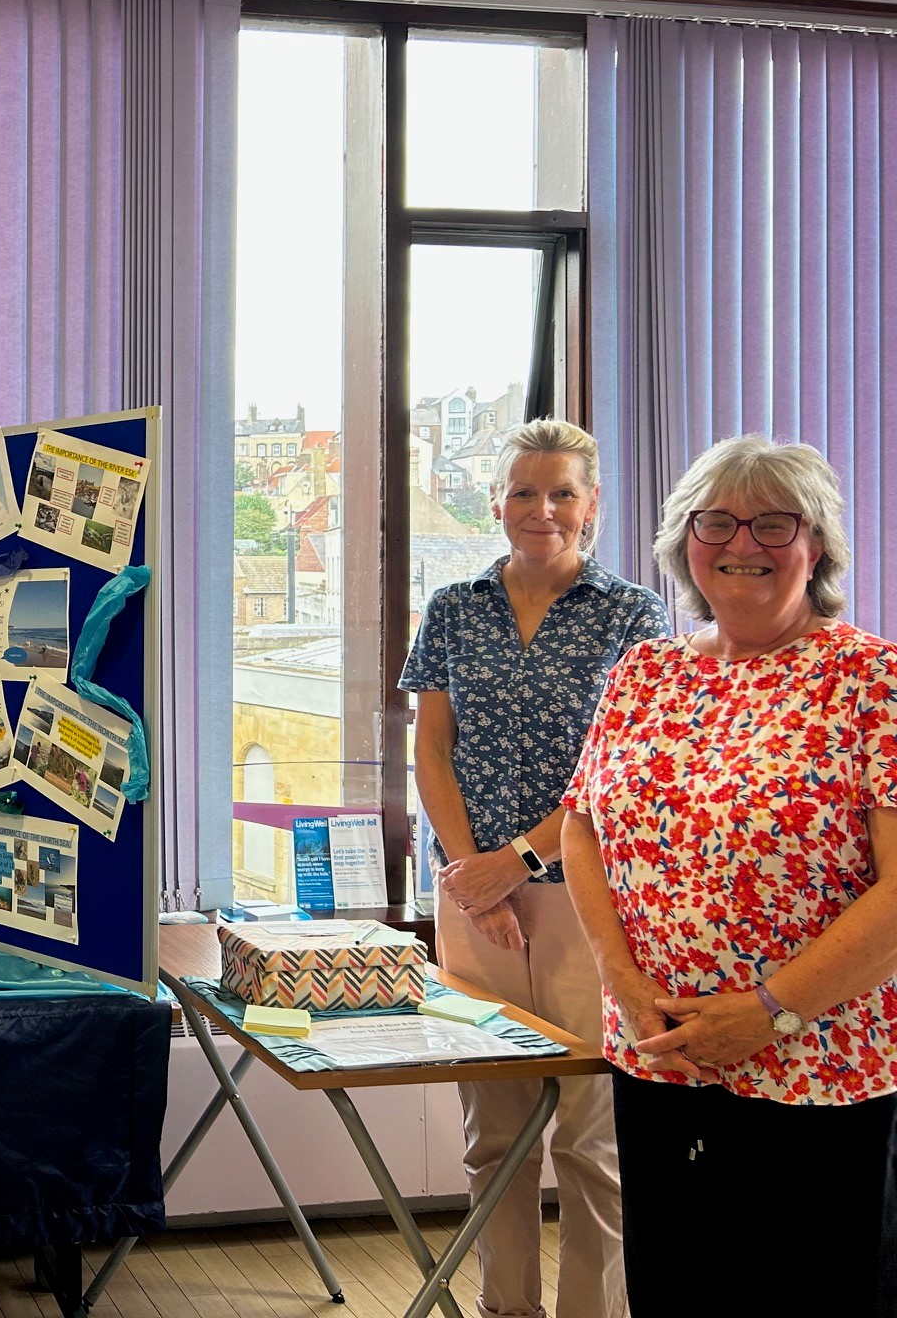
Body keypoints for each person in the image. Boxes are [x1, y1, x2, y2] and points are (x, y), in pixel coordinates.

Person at [561, 435, 897, 1316]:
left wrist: (770, 1009)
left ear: (814, 544)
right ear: (686, 541)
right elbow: (581, 829)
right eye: (718, 520)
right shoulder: (646, 672)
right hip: (658, 1052)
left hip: (814, 1066)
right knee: (676, 1290)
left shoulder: (873, 680)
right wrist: (623, 982)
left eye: (773, 523)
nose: (742, 543)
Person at [401, 418, 669, 1318]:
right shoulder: (452, 608)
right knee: (495, 1139)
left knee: (592, 1147)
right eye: (524, 491)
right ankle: (503, 1310)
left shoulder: (634, 614)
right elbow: (432, 751)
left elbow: (619, 771)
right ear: (497, 502)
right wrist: (471, 879)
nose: (542, 509)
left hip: (590, 907)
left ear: (591, 506)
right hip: (474, 901)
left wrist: (511, 865)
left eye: (562, 493)